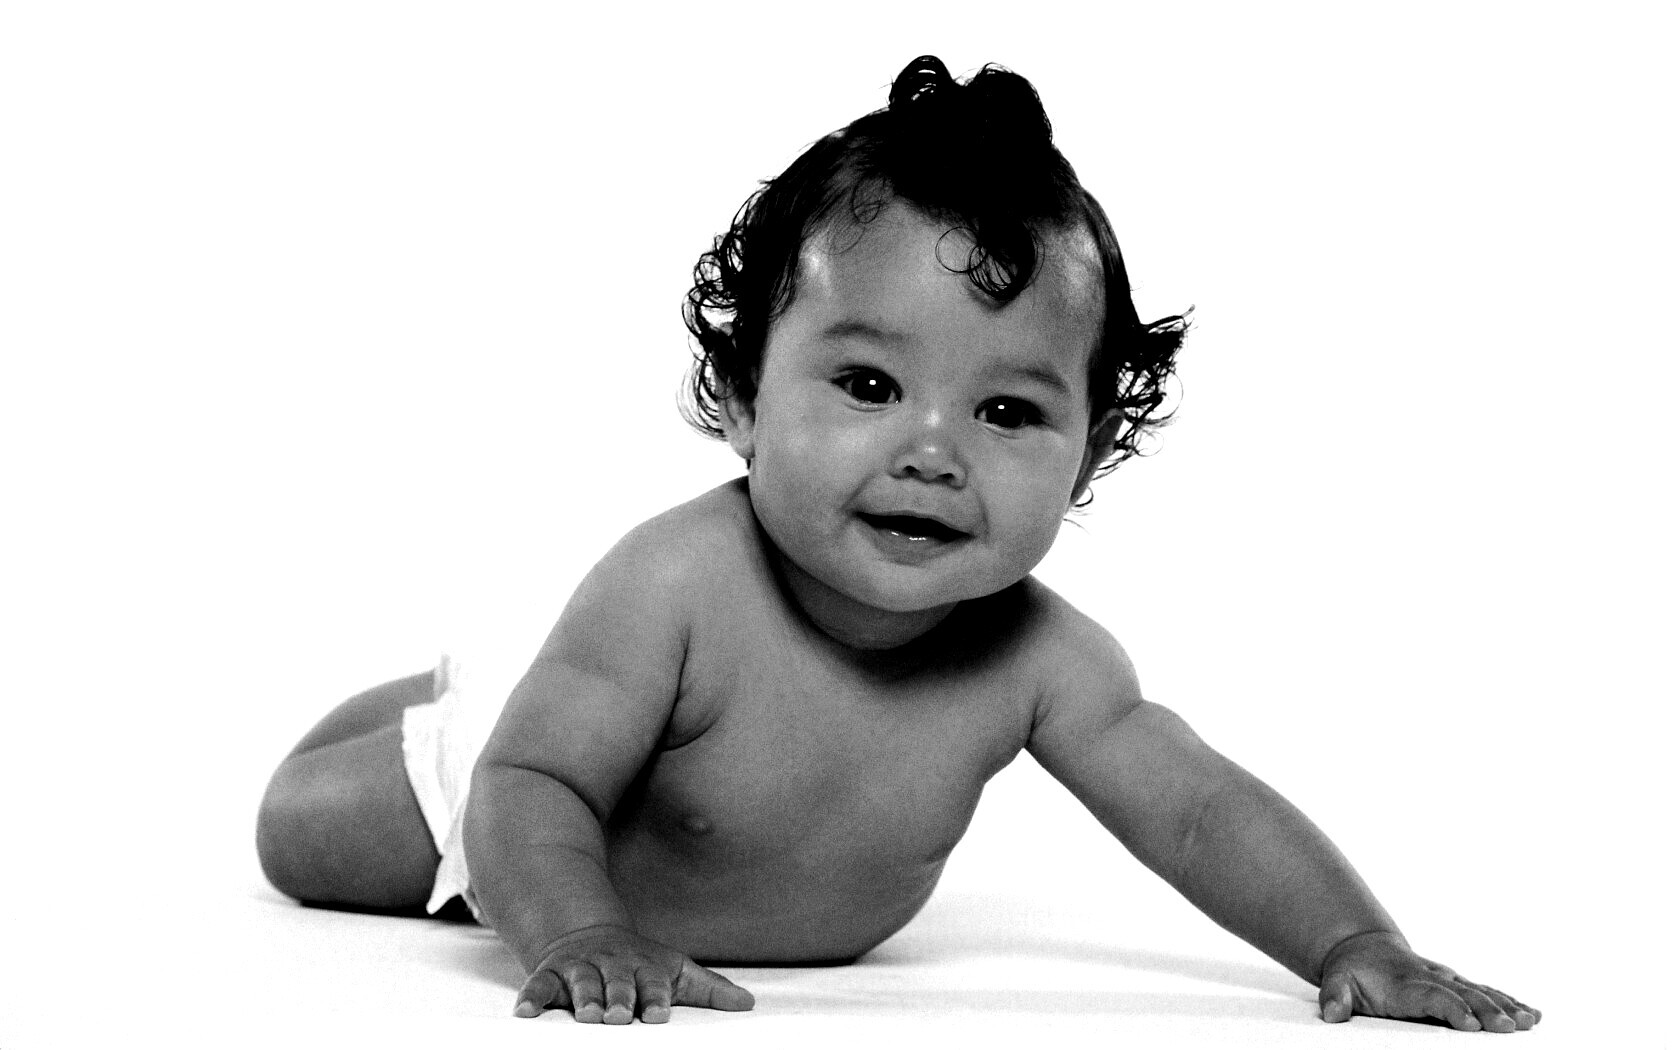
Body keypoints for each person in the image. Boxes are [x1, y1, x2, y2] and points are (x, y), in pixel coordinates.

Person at [255, 56, 1540, 1032]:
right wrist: (578, 932)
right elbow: (535, 787)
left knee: (529, 722)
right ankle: (454, 699)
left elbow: (1200, 813)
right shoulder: (677, 585)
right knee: (300, 831)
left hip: (577, 767)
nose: (933, 451)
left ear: (1089, 451)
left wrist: (1355, 945)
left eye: (1007, 411)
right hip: (510, 820)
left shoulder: (1041, 662)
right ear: (745, 398)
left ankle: (479, 683)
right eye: (869, 386)